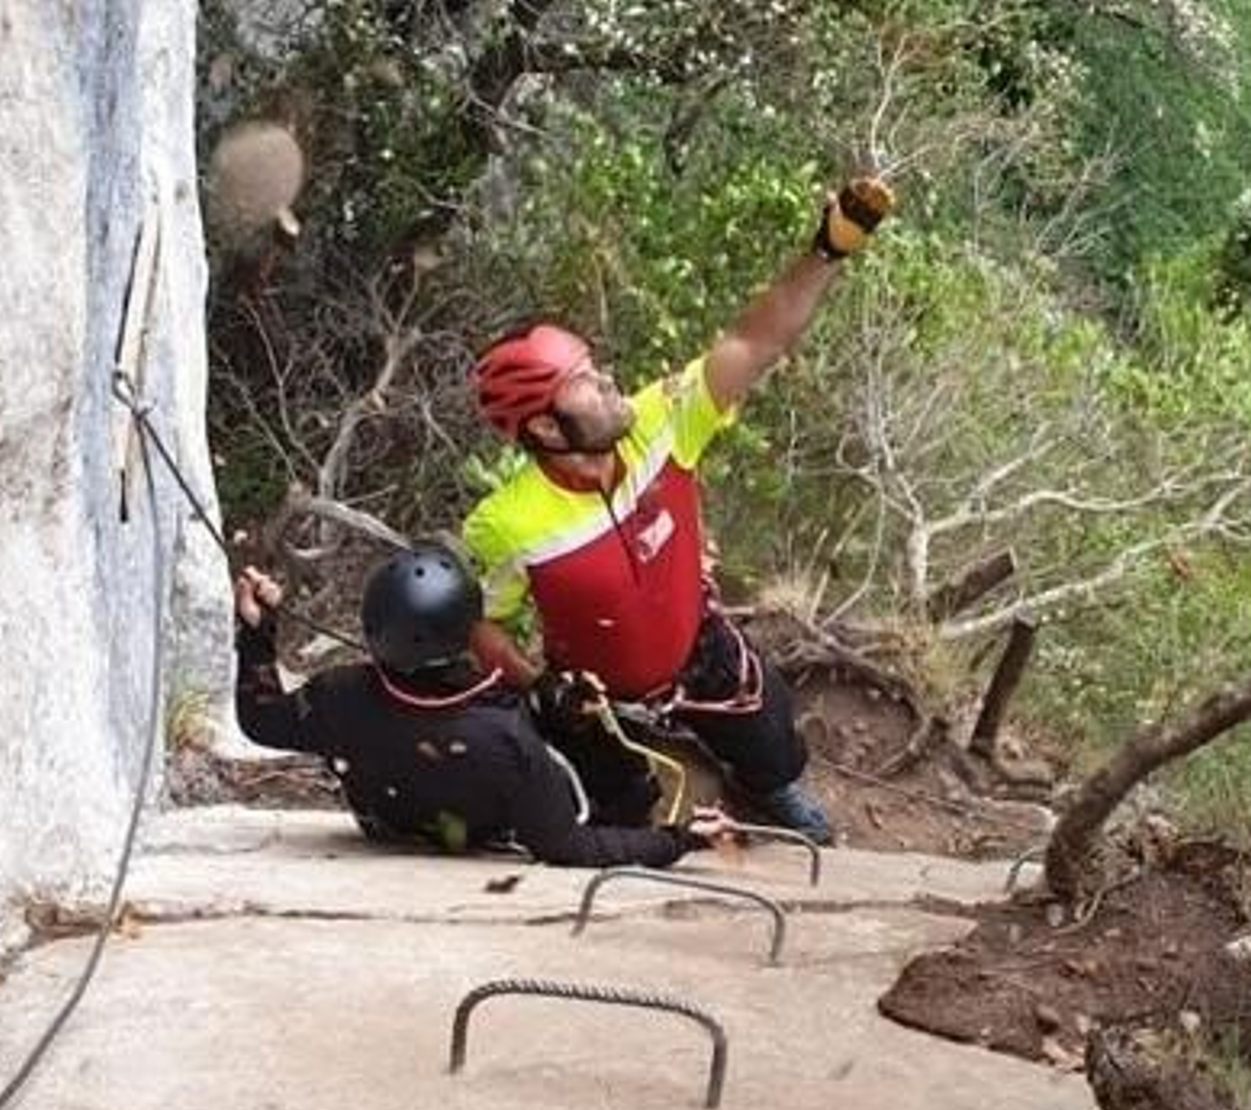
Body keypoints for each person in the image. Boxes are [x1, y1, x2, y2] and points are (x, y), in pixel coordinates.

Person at [462, 176, 896, 845]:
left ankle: (768, 785)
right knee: (627, 809)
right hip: (598, 691)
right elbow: (483, 622)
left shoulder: (661, 423)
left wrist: (827, 250)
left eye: (595, 365)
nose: (608, 381)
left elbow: (755, 343)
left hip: (697, 645)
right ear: (546, 429)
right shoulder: (509, 522)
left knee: (770, 736)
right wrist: (538, 683)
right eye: (583, 382)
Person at [232, 540, 730, 867]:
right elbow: (568, 846)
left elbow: (260, 720)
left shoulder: (339, 696)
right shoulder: (504, 734)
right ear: (467, 632)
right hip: (483, 828)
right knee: (602, 750)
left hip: (391, 820)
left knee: (555, 709)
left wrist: (258, 633)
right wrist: (679, 839)